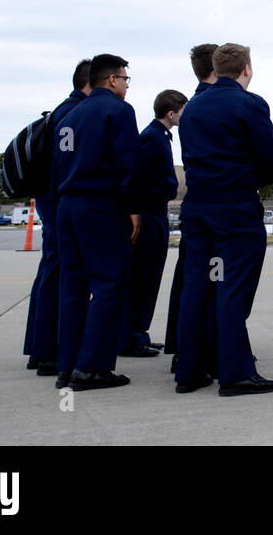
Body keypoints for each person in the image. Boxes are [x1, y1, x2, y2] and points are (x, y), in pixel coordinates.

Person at [175, 43, 273, 396]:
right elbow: (269, 160)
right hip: (235, 206)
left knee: (196, 286)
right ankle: (234, 372)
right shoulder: (250, 105)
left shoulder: (190, 110)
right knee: (233, 288)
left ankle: (189, 370)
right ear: (246, 69)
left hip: (197, 206)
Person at [54, 54, 141, 391]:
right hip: (100, 204)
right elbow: (127, 162)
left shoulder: (70, 115)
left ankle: (68, 365)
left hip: (67, 205)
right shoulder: (118, 110)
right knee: (108, 285)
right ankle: (92, 368)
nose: (126, 85)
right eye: (125, 79)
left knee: (73, 287)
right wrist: (133, 206)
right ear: (112, 80)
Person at [23, 58, 90, 376]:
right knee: (57, 274)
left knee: (50, 272)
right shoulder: (73, 113)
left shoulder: (61, 111)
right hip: (59, 204)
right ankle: (49, 352)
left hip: (52, 203)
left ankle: (40, 347)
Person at [119, 89, 187, 358]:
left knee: (151, 277)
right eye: (183, 110)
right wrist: (135, 209)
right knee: (141, 277)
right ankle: (130, 337)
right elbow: (137, 177)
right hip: (148, 213)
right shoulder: (151, 138)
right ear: (171, 113)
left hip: (156, 211)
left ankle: (139, 333)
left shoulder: (160, 136)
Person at [165, 44, 218, 372]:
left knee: (192, 280)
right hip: (220, 208)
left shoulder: (192, 107)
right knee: (214, 280)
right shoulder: (216, 105)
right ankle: (207, 350)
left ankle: (184, 350)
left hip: (196, 206)